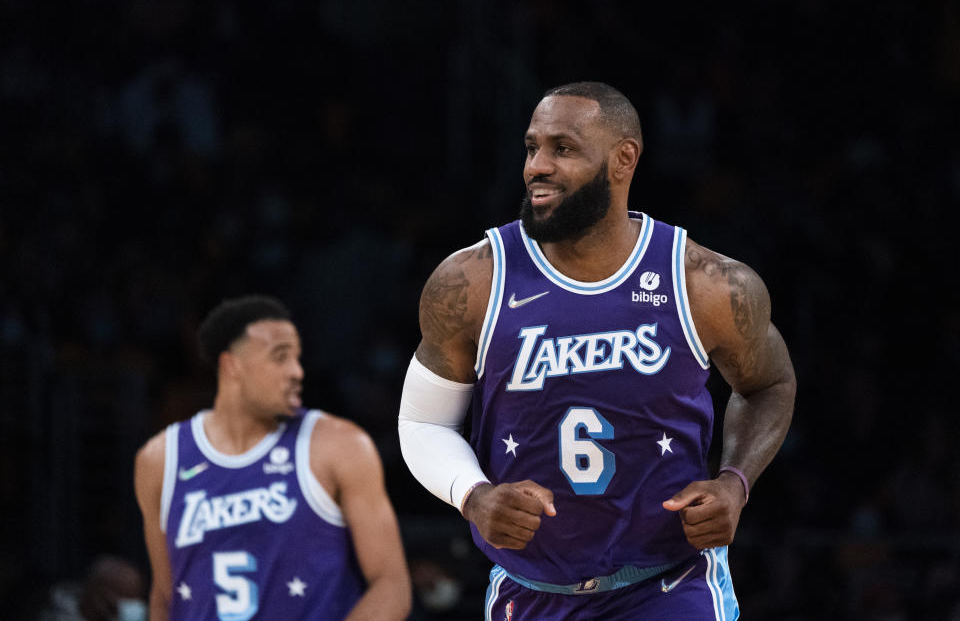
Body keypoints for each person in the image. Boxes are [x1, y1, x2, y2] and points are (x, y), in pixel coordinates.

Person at [398, 82, 796, 620]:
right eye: (532, 147)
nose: (537, 165)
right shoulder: (471, 280)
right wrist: (472, 495)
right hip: (531, 590)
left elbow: (769, 384)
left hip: (670, 585)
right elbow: (422, 422)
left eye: (562, 149)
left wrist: (735, 482)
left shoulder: (704, 282)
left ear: (623, 159)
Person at [135, 295, 411, 620]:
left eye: (297, 358)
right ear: (231, 365)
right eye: (280, 358)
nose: (297, 372)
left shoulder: (339, 444)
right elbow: (166, 598)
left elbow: (391, 586)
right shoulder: (160, 459)